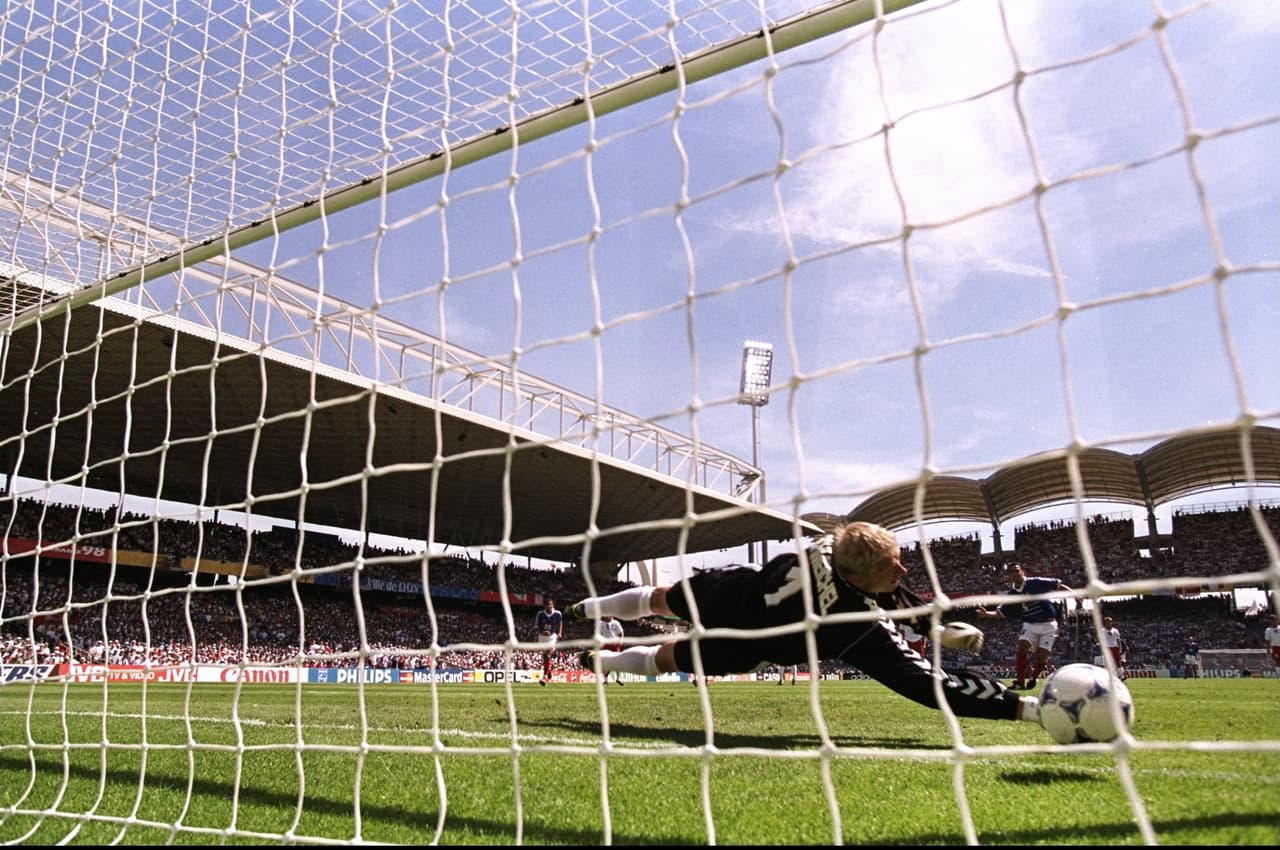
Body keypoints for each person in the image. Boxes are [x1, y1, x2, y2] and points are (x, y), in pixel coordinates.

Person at [568, 521, 1044, 730]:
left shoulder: (829, 543)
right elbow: (921, 683)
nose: (901, 571)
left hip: (737, 590)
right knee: (664, 654)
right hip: (752, 641)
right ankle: (604, 659)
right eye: (891, 565)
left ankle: (590, 618)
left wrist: (933, 626)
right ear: (857, 577)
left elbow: (888, 590)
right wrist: (1016, 707)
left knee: (660, 600)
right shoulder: (852, 621)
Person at [976, 564, 1071, 690]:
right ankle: (1020, 682)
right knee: (1021, 647)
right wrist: (986, 614)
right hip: (1030, 625)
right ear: (1008, 576)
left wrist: (1075, 594)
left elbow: (1058, 585)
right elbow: (1000, 613)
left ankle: (1034, 677)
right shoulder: (1012, 595)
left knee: (1041, 657)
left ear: (1022, 572)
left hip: (1048, 624)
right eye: (1011, 572)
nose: (1014, 574)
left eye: (1016, 571)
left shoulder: (1035, 583)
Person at [534, 595, 563, 686]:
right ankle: (549, 670)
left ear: (552, 605)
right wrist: (542, 632)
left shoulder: (558, 613)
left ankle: (545, 677)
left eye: (551, 604)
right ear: (545, 606)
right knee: (546, 657)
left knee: (548, 654)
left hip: (552, 637)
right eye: (547, 605)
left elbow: (560, 623)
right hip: (542, 637)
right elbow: (536, 627)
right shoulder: (540, 614)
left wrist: (559, 633)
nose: (549, 606)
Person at [600, 615, 625, 686]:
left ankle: (618, 678)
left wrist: (621, 641)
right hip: (605, 644)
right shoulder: (600, 623)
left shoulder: (616, 623)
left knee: (618, 661)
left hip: (614, 644)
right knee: (605, 662)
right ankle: (605, 681)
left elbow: (621, 632)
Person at [1100, 615, 1126, 680]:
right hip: (1107, 648)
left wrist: (1119, 649)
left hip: (1115, 648)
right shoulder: (1102, 631)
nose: (1110, 623)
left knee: (1118, 663)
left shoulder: (1115, 630)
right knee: (1107, 663)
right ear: (1105, 623)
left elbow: (1118, 640)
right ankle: (1108, 677)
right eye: (1108, 622)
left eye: (1111, 621)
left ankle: (1122, 676)